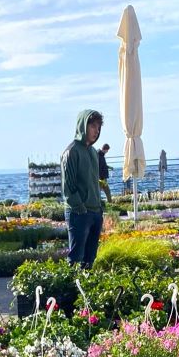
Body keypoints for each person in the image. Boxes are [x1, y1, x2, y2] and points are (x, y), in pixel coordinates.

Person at [61, 109, 104, 267]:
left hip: (95, 211)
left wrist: (99, 207)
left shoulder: (93, 152)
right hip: (79, 212)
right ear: (83, 126)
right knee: (76, 258)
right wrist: (80, 208)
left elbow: (93, 182)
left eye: (98, 127)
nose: (96, 131)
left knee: (90, 258)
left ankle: (87, 282)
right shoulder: (71, 151)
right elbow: (68, 186)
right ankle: (72, 282)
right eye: (92, 126)